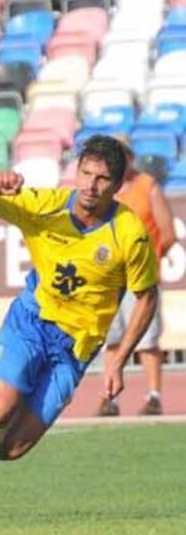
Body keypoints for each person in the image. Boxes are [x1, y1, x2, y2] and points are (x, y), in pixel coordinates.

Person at [0, 135, 158, 522]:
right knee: (1, 408)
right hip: (31, 321)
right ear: (75, 172)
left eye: (102, 178)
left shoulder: (130, 233)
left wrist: (119, 360)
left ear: (117, 184)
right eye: (85, 174)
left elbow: (146, 297)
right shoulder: (46, 206)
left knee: (11, 449)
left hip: (75, 348)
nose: (90, 186)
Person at [96, 139, 176, 417]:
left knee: (147, 340)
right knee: (112, 340)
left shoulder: (147, 186)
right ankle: (110, 398)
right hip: (110, 277)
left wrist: (149, 260)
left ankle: (153, 396)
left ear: (130, 157)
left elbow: (168, 233)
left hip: (140, 276)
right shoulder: (106, 189)